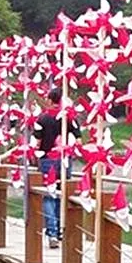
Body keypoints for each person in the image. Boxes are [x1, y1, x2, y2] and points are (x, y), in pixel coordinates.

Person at [33, 87, 81, 249]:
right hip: (64, 159)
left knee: (49, 195)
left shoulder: (42, 119)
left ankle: (52, 233)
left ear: (49, 99)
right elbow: (78, 141)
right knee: (62, 194)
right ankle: (61, 231)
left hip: (47, 159)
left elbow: (37, 143)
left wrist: (34, 155)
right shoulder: (69, 118)